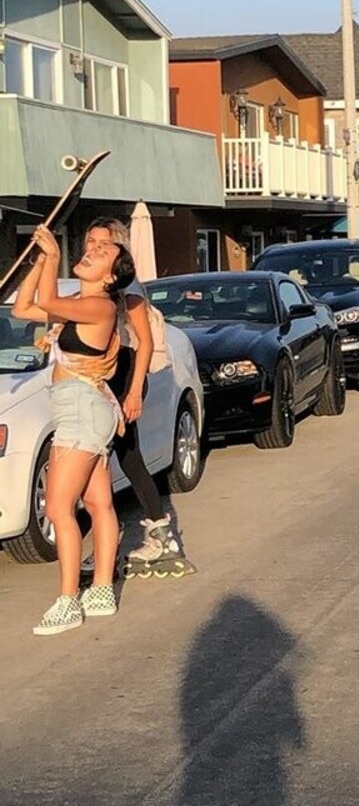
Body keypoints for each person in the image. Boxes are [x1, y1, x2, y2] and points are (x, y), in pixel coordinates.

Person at [14, 224, 135, 634]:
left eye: (103, 252)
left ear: (111, 276)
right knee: (98, 502)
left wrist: (52, 257)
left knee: (57, 508)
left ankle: (68, 601)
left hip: (82, 410)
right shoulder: (78, 306)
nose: (92, 250)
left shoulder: (101, 306)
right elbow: (24, 308)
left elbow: (47, 300)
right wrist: (38, 260)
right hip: (84, 408)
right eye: (92, 246)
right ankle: (100, 590)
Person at [84, 218, 194, 577]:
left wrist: (133, 392)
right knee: (121, 459)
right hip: (104, 373)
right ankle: (144, 535)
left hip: (126, 370)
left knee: (118, 457)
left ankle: (145, 537)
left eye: (102, 243)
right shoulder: (94, 282)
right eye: (90, 241)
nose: (93, 248)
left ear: (117, 247)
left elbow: (144, 342)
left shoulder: (126, 286)